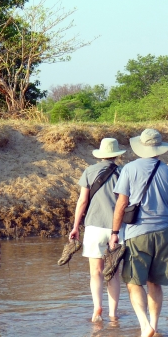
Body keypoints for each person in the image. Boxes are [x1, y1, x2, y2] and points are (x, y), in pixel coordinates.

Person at [109, 128, 168, 337]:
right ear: (159, 149)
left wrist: (115, 232)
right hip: (164, 233)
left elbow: (122, 204)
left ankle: (144, 325)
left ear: (141, 147)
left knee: (134, 282)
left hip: (137, 233)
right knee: (156, 282)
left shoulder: (129, 169)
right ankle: (155, 325)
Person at [69, 137, 127, 323]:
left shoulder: (89, 171)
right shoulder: (123, 172)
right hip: (117, 229)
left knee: (96, 271)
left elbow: (82, 201)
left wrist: (75, 226)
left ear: (101, 154)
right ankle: (113, 313)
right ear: (116, 155)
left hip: (94, 227)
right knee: (114, 272)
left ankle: (97, 308)